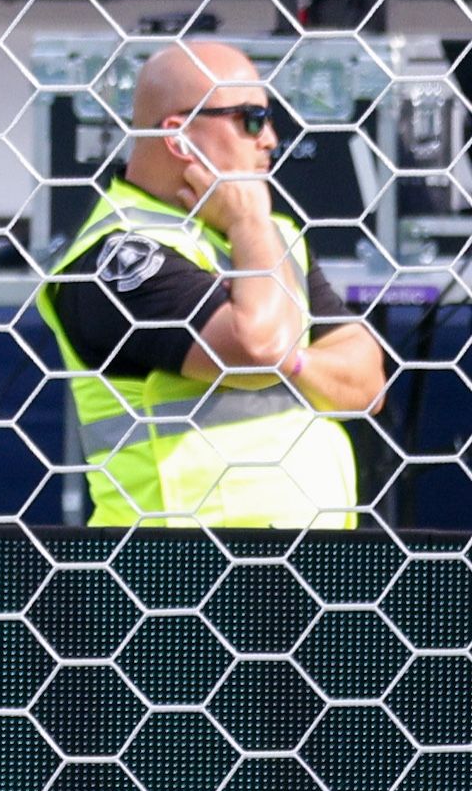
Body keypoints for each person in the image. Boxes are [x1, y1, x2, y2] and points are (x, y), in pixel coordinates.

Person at [34, 40, 388, 527]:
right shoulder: (119, 256)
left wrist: (294, 361)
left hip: (304, 556)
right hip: (177, 561)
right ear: (179, 137)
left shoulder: (275, 236)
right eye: (251, 120)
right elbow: (258, 350)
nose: (270, 139)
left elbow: (366, 386)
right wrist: (248, 225)